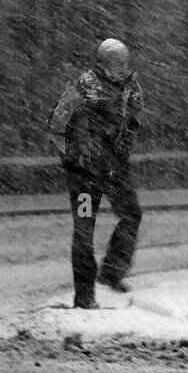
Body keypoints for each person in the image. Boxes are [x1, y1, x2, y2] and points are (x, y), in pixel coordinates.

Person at [48, 38, 144, 309]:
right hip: (85, 174)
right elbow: (57, 121)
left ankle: (112, 271)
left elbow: (134, 123)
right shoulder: (84, 84)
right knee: (84, 230)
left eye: (125, 61)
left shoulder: (131, 87)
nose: (123, 67)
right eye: (117, 62)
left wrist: (122, 149)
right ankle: (85, 296)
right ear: (102, 62)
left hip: (115, 170)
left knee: (131, 214)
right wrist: (71, 158)